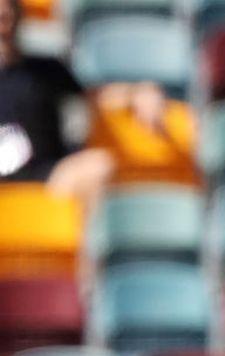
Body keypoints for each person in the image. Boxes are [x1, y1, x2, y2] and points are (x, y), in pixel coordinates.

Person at [0, 0, 165, 212]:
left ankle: (85, 242)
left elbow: (96, 97)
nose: (4, 17)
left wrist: (138, 93)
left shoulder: (46, 68)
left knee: (98, 166)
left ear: (19, 15)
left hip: (48, 177)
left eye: (8, 9)